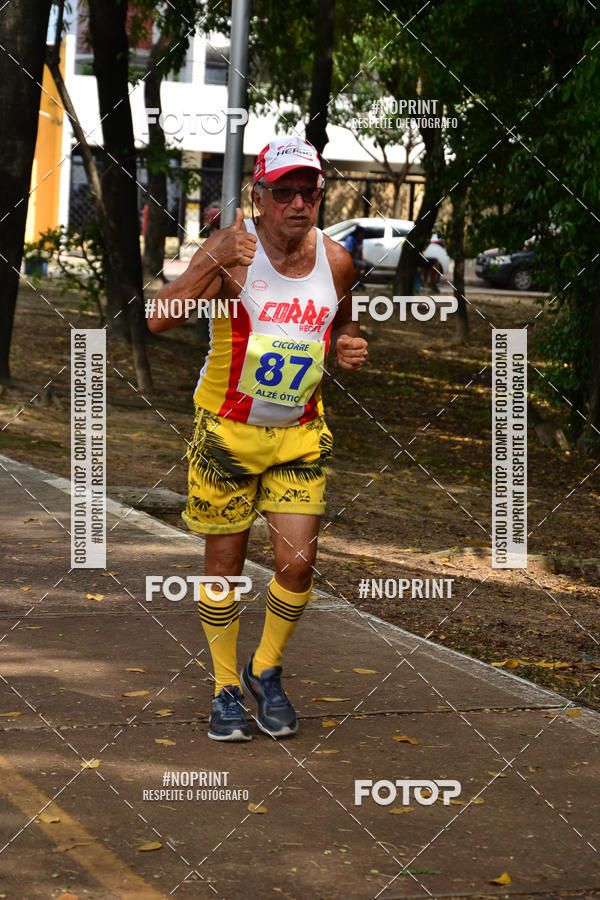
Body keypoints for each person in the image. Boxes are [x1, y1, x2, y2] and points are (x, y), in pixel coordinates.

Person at [147, 136, 368, 742]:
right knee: (226, 565)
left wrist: (348, 346)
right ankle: (224, 687)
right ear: (260, 196)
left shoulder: (338, 260)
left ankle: (265, 669)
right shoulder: (232, 253)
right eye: (284, 191)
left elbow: (343, 324)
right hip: (226, 432)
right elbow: (159, 316)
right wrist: (211, 262)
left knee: (298, 565)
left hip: (299, 432)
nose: (298, 202)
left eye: (310, 190)